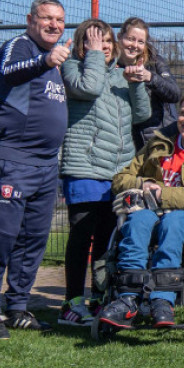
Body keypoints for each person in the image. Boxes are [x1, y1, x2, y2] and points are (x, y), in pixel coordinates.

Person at [97, 90, 184, 328]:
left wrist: (164, 194)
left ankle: (163, 300)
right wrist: (143, 184)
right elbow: (121, 178)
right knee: (138, 220)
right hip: (151, 211)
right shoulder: (159, 143)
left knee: (173, 223)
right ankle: (128, 298)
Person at [58, 18, 152, 327]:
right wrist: (94, 55)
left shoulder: (120, 75)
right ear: (81, 45)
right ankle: (72, 303)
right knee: (81, 236)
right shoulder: (73, 68)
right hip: (85, 166)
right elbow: (90, 87)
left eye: (106, 41)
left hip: (117, 171)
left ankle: (99, 299)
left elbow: (142, 114)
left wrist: (136, 82)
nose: (102, 47)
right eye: (93, 41)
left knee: (106, 239)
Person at [0, 0, 69, 339]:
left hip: (44, 166)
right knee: (0, 239)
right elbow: (8, 72)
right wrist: (43, 60)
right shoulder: (19, 47)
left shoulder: (54, 62)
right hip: (13, 160)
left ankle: (18, 307)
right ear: (30, 19)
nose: (54, 24)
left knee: (32, 240)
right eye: (47, 18)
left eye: (60, 20)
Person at [118, 17, 182, 150]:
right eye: (130, 39)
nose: (134, 45)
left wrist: (151, 78)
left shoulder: (155, 62)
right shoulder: (111, 65)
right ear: (119, 37)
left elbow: (175, 94)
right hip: (125, 141)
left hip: (158, 138)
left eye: (140, 42)